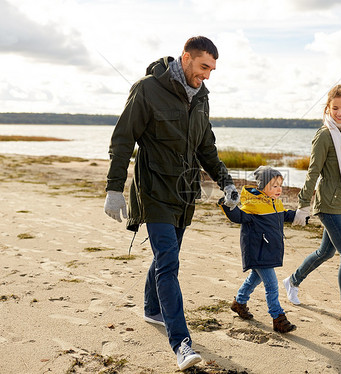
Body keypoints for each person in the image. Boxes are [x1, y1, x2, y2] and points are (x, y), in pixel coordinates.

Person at [103, 36, 240, 371]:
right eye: (204, 66)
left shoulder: (202, 98)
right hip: (153, 192)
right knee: (168, 262)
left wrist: (226, 183)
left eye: (212, 69)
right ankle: (181, 344)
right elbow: (123, 139)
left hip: (184, 193)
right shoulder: (147, 89)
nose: (208, 75)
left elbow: (206, 147)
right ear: (186, 58)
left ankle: (151, 308)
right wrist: (114, 188)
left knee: (169, 257)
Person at [285, 84, 341, 329]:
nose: (339, 112)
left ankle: (292, 281)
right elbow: (313, 172)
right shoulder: (325, 135)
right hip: (328, 206)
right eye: (335, 108)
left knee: (326, 252)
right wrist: (303, 205)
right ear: (328, 108)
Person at [219, 166, 297, 333]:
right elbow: (238, 217)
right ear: (263, 187)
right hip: (258, 250)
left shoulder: (275, 203)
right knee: (271, 284)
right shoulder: (253, 205)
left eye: (280, 185)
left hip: (268, 249)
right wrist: (229, 205)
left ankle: (239, 303)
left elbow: (283, 215)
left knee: (255, 278)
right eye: (274, 185)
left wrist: (298, 215)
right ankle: (278, 318)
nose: (279, 189)